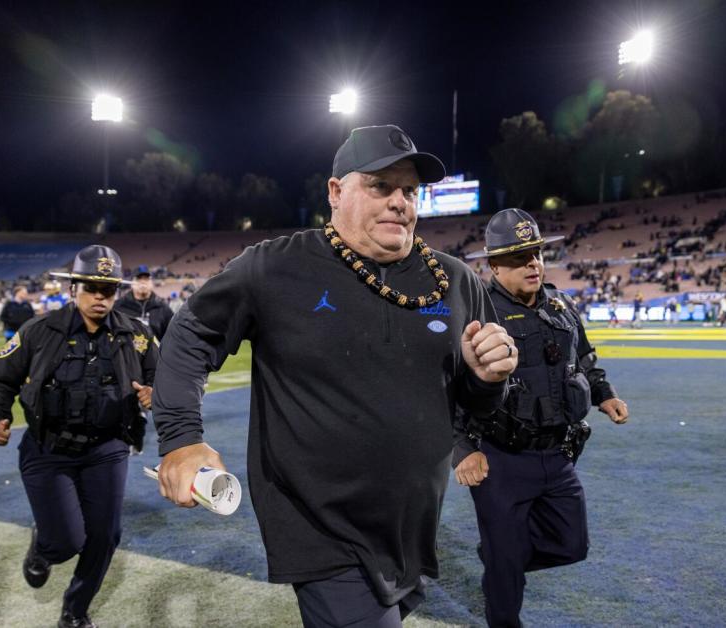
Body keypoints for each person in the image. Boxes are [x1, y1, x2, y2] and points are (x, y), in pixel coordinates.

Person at [152, 124, 518, 627]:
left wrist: (487, 380)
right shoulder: (273, 268)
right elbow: (188, 337)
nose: (399, 202)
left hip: (411, 526)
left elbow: (476, 407)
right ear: (336, 190)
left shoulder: (455, 280)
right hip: (318, 525)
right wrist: (181, 439)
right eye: (379, 186)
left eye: (409, 190)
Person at [459, 209, 630, 628]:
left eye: (535, 253)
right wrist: (461, 449)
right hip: (501, 459)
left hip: (558, 453)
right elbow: (453, 387)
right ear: (494, 265)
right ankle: (503, 572)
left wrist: (604, 395)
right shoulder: (479, 313)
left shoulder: (562, 304)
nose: (533, 263)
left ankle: (503, 556)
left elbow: (584, 361)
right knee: (505, 573)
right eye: (520, 257)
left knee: (572, 544)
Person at [0, 245, 157, 628]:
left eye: (108, 290)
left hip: (108, 449)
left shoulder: (136, 335)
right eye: (91, 288)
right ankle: (44, 546)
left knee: (105, 536)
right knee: (66, 542)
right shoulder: (39, 332)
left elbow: (167, 378)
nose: (100, 297)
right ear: (73, 288)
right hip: (48, 449)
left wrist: (156, 392)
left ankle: (75, 612)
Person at [114, 265, 173, 342]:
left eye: (147, 279)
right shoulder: (118, 306)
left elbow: (172, 338)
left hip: (156, 353)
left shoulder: (163, 308)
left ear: (152, 283)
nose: (143, 282)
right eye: (138, 278)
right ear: (132, 283)